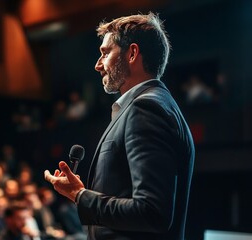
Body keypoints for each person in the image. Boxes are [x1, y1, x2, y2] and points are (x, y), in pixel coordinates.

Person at [44, 12, 195, 240]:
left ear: (132, 53)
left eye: (105, 53)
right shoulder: (158, 103)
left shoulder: (146, 109)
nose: (98, 65)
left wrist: (80, 195)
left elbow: (152, 212)